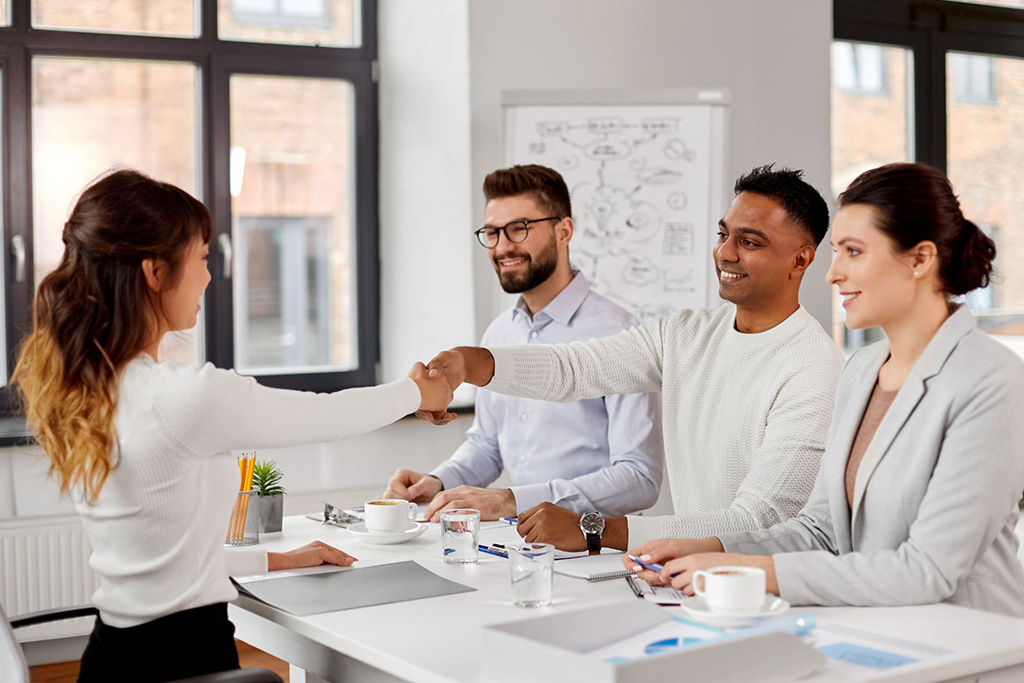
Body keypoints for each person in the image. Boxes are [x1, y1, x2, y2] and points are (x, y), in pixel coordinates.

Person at [11, 169, 453, 682]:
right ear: (155, 272)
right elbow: (325, 415)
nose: (208, 276)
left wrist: (277, 562)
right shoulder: (182, 396)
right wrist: (419, 392)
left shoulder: (90, 388)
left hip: (114, 658)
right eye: (201, 258)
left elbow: (155, 564)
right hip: (184, 661)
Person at [626, 163, 1024, 617]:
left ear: (919, 259)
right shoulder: (863, 370)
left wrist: (745, 569)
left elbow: (927, 570)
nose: (832, 273)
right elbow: (819, 531)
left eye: (853, 252)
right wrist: (706, 549)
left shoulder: (991, 382)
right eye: (835, 252)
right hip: (877, 634)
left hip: (969, 647)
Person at [422, 165, 846, 552]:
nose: (725, 253)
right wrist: (468, 363)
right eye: (723, 235)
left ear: (801, 259)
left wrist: (594, 528)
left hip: (766, 589)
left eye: (749, 242)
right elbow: (573, 370)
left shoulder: (812, 366)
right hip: (686, 572)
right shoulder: (685, 334)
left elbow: (757, 521)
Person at [383, 165, 663, 522]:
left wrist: (514, 500)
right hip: (520, 544)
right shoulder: (499, 334)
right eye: (492, 232)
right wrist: (438, 483)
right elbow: (488, 445)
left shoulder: (620, 332)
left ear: (564, 231)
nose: (502, 247)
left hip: (596, 550)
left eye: (519, 229)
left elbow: (640, 477)